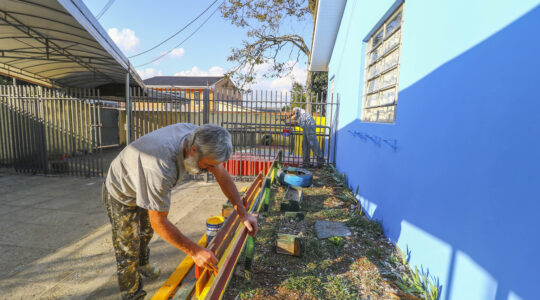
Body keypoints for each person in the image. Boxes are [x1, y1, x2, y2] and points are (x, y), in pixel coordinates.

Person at [102, 123, 258, 300]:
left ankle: (143, 263)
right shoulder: (160, 167)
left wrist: (243, 213)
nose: (209, 170)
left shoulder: (201, 137)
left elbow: (220, 173)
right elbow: (159, 223)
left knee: (145, 233)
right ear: (193, 149)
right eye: (207, 165)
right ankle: (133, 295)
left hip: (145, 177)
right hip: (122, 190)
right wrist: (195, 251)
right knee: (128, 248)